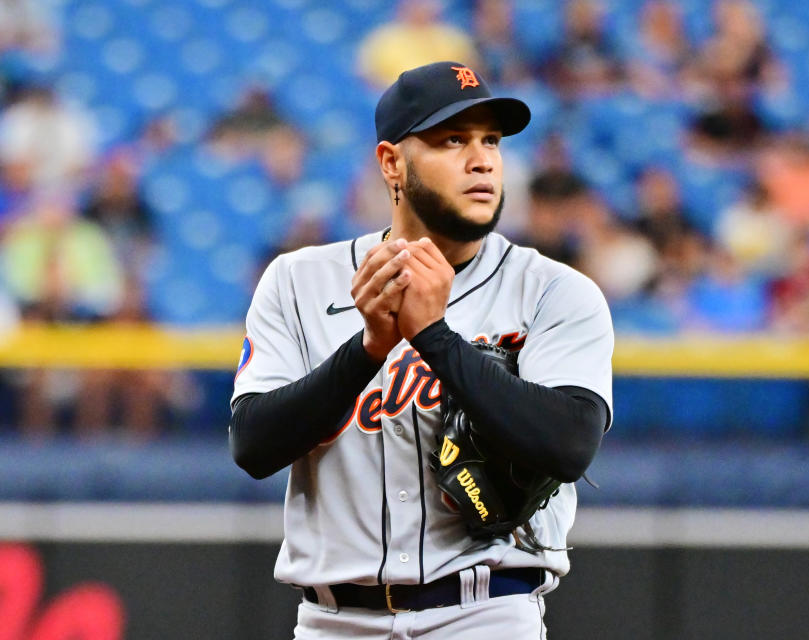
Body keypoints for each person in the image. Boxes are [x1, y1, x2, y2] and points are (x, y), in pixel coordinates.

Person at [228, 61, 613, 639]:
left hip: (485, 613)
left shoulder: (553, 290)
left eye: (491, 141)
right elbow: (254, 445)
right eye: (452, 140)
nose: (481, 159)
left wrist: (435, 339)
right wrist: (366, 351)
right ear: (392, 164)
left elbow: (569, 445)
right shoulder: (297, 280)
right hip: (335, 620)